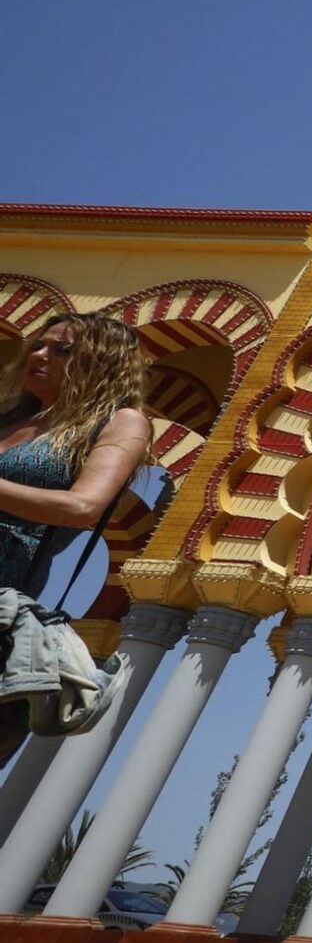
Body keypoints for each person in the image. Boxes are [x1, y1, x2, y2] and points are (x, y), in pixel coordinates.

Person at [0, 312, 151, 767]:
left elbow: (84, 508)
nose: (39, 355)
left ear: (101, 364)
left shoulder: (118, 423)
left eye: (62, 350)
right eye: (38, 345)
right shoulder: (9, 417)